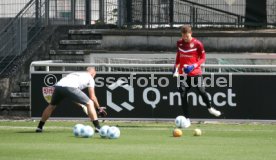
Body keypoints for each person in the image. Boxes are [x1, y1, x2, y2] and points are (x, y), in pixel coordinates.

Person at [173, 25, 221, 127]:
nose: (185, 38)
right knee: (182, 94)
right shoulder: (179, 43)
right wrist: (175, 68)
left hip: (196, 74)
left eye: (186, 36)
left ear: (191, 33)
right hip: (183, 75)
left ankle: (210, 108)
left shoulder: (197, 44)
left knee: (201, 91)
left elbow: (203, 58)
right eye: (183, 36)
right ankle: (187, 120)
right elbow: (178, 56)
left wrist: (194, 65)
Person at [35, 67, 107, 132]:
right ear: (93, 73)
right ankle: (98, 127)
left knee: (51, 106)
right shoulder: (90, 78)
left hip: (58, 87)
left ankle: (39, 127)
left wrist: (80, 104)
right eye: (95, 74)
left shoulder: (74, 74)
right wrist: (98, 108)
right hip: (70, 88)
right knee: (90, 103)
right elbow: (92, 96)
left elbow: (71, 95)